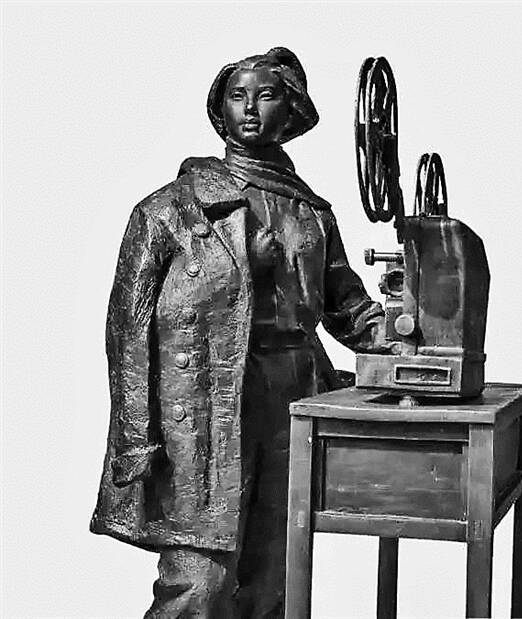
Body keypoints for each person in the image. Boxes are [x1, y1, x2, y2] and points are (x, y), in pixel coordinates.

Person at [90, 47, 386, 618]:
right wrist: (133, 438)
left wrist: (394, 335)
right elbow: (127, 331)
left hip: (294, 396)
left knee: (275, 574)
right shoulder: (172, 210)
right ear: (220, 110)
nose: (250, 108)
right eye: (237, 96)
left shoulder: (312, 213)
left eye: (266, 95)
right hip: (206, 405)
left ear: (291, 111)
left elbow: (345, 305)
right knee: (198, 584)